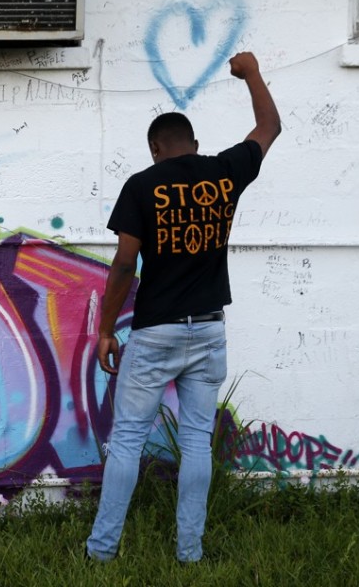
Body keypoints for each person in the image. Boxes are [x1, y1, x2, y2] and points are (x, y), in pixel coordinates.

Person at [85, 52, 281, 563]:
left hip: (155, 332)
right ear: (193, 143)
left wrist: (106, 329)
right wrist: (251, 73)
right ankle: (189, 552)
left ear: (155, 149)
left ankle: (102, 552)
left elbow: (125, 265)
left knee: (127, 440)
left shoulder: (142, 185)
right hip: (210, 329)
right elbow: (269, 126)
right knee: (197, 441)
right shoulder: (224, 172)